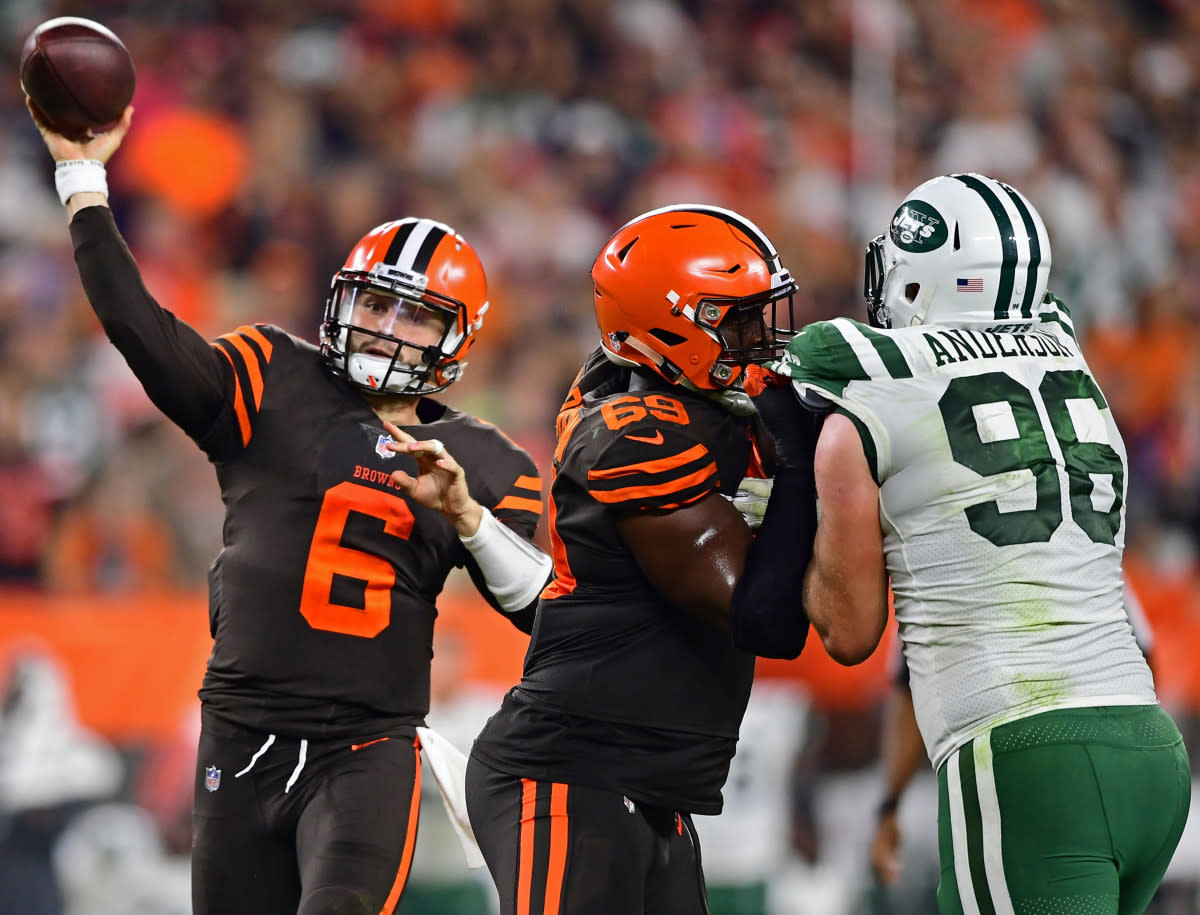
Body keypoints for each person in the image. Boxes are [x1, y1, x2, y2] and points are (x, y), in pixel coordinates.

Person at [28, 102, 553, 915]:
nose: (385, 327)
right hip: (240, 734)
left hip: (367, 749)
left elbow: (547, 614)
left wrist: (471, 520)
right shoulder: (274, 375)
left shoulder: (485, 462)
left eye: (415, 314)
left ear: (458, 338)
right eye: (376, 303)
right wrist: (82, 178)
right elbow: (140, 329)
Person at [737, 172, 1192, 913]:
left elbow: (849, 634)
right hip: (1148, 748)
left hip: (1027, 754)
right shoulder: (1068, 353)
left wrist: (802, 517)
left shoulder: (867, 389)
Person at [465, 203, 816, 915]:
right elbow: (765, 619)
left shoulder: (690, 397)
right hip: (568, 774)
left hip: (648, 787)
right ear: (669, 326)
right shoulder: (637, 433)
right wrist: (807, 465)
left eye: (763, 314)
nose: (763, 339)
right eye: (738, 320)